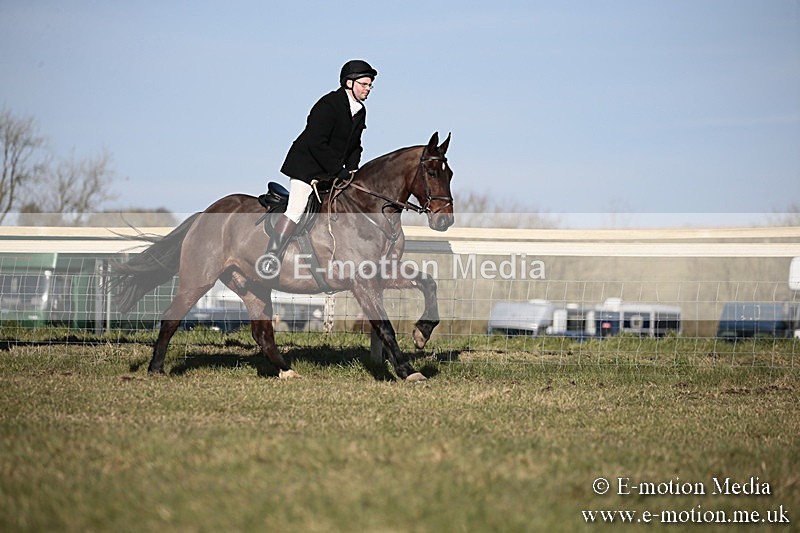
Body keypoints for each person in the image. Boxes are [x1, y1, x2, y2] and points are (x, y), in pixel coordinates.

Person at [259, 59, 377, 278]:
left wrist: (352, 171)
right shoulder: (328, 104)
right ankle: (271, 257)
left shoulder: (360, 110)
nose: (368, 89)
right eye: (364, 84)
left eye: (370, 85)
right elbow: (316, 142)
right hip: (307, 166)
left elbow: (355, 145)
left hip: (331, 170)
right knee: (297, 208)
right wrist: (337, 170)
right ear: (349, 83)